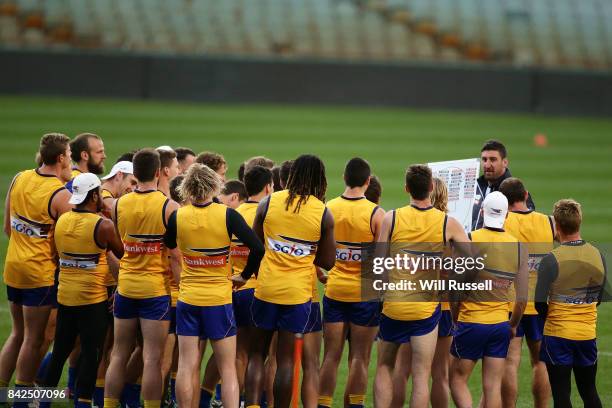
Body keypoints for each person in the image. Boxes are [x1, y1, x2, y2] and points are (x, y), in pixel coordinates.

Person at [236, 154, 335, 408]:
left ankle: (252, 405)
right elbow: (328, 261)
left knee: (257, 354)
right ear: (319, 179)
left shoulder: (268, 202)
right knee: (285, 361)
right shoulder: (322, 213)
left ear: (291, 176)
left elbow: (256, 248)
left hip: (266, 289)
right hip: (297, 295)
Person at [165, 163, 264, 408]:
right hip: (218, 300)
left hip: (188, 298)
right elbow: (258, 248)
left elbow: (168, 245)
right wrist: (244, 275)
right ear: (213, 186)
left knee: (187, 365)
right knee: (227, 368)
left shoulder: (179, 215)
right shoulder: (227, 215)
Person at [373, 165, 469, 408]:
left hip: (393, 306)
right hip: (424, 310)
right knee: (420, 376)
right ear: (431, 187)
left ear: (406, 188)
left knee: (385, 367)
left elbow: (378, 263)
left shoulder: (390, 218)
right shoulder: (447, 222)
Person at [104, 148, 181, 408]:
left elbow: (120, 247)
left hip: (126, 287)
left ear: (134, 174)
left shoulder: (118, 205)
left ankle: (109, 405)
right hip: (155, 290)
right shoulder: (170, 207)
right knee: (152, 358)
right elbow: (176, 256)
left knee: (118, 354)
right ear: (159, 173)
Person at [0, 133, 73, 405]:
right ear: (61, 158)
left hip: (14, 267)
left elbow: (9, 226)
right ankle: (22, 399)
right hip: (39, 275)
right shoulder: (60, 195)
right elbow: (68, 244)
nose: (71, 161)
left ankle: (1, 391)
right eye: (69, 155)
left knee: (17, 334)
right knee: (35, 339)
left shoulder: (20, 178)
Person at [42, 173, 124, 408]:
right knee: (91, 354)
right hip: (92, 300)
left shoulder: (62, 221)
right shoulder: (103, 225)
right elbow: (123, 255)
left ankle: (44, 402)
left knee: (59, 353)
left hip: (66, 298)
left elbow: (56, 256)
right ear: (95, 195)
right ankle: (83, 403)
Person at [450, 191, 528, 408]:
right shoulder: (520, 247)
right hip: (500, 324)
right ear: (507, 216)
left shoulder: (470, 240)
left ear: (482, 212)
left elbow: (455, 288)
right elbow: (522, 298)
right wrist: (512, 325)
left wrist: (455, 318)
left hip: (471, 321)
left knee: (456, 379)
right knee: (492, 386)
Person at [318, 158, 384, 408]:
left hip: (334, 291)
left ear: (344, 178)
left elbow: (317, 251)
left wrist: (321, 274)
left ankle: (323, 404)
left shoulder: (328, 208)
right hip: (364, 296)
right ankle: (354, 405)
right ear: (368, 182)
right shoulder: (377, 214)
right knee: (360, 358)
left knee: (330, 356)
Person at [535, 199, 605, 408]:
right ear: (579, 223)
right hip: (586, 334)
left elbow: (539, 302)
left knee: (561, 394)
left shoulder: (551, 259)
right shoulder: (597, 255)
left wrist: (555, 317)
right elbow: (599, 297)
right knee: (589, 391)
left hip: (558, 335)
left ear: (557, 225)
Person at [391, 177, 453, 408]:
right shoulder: (451, 226)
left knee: (402, 371)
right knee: (439, 374)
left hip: (411, 303)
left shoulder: (407, 222)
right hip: (444, 308)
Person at [499, 178, 554, 408]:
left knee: (510, 362)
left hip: (510, 304)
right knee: (540, 362)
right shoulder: (549, 222)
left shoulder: (501, 222)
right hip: (541, 303)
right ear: (526, 194)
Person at [472, 140, 534, 230]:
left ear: (505, 162)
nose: (487, 165)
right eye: (484, 159)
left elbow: (526, 223)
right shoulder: (476, 186)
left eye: (493, 159)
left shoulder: (515, 190)